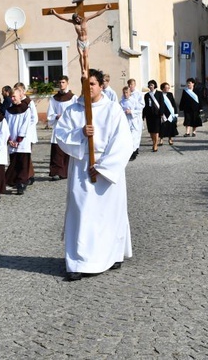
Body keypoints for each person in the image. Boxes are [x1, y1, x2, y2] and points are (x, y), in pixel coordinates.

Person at [54, 68, 133, 281]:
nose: (89, 88)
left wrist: (103, 166)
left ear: (100, 86)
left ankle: (113, 253)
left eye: (92, 84)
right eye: (85, 84)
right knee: (81, 212)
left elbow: (123, 141)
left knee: (109, 213)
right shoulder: (74, 110)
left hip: (106, 168)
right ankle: (78, 261)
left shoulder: (112, 109)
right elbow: (60, 135)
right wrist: (80, 133)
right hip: (81, 165)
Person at [48, 5, 112, 77]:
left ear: (78, 17)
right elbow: (63, 18)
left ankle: (86, 69)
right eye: (75, 19)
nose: (77, 20)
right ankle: (83, 70)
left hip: (86, 41)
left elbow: (96, 14)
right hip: (79, 41)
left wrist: (105, 9)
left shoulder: (85, 20)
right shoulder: (74, 23)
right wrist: (55, 13)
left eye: (77, 18)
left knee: (86, 55)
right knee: (81, 55)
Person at [5, 86, 33, 195]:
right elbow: (6, 126)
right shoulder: (8, 111)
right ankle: (16, 181)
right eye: (11, 97)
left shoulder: (26, 109)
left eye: (14, 96)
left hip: (22, 142)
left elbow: (25, 125)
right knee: (14, 163)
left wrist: (18, 139)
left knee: (23, 163)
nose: (12, 99)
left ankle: (21, 183)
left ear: (20, 96)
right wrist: (9, 139)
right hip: (12, 142)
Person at [47, 76, 77, 180]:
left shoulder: (73, 98)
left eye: (63, 82)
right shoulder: (54, 98)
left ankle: (66, 171)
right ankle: (55, 171)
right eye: (59, 82)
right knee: (56, 150)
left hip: (68, 127)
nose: (61, 84)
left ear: (67, 83)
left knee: (67, 149)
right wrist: (56, 116)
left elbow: (76, 112)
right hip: (58, 126)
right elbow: (50, 113)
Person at [120, 86, 143, 160]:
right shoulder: (121, 102)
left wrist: (131, 112)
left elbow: (139, 110)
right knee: (128, 138)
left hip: (133, 121)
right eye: (124, 93)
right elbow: (119, 112)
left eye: (127, 92)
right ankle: (130, 152)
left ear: (130, 93)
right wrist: (124, 112)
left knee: (134, 138)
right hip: (126, 122)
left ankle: (133, 153)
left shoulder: (134, 101)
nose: (125, 94)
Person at [142, 80, 164, 152]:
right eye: (149, 85)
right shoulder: (147, 95)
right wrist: (144, 114)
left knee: (156, 129)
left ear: (154, 85)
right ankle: (153, 141)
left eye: (151, 85)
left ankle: (155, 144)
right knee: (151, 130)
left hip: (157, 114)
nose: (150, 86)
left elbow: (162, 104)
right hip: (149, 114)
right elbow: (145, 106)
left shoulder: (159, 94)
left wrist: (161, 113)